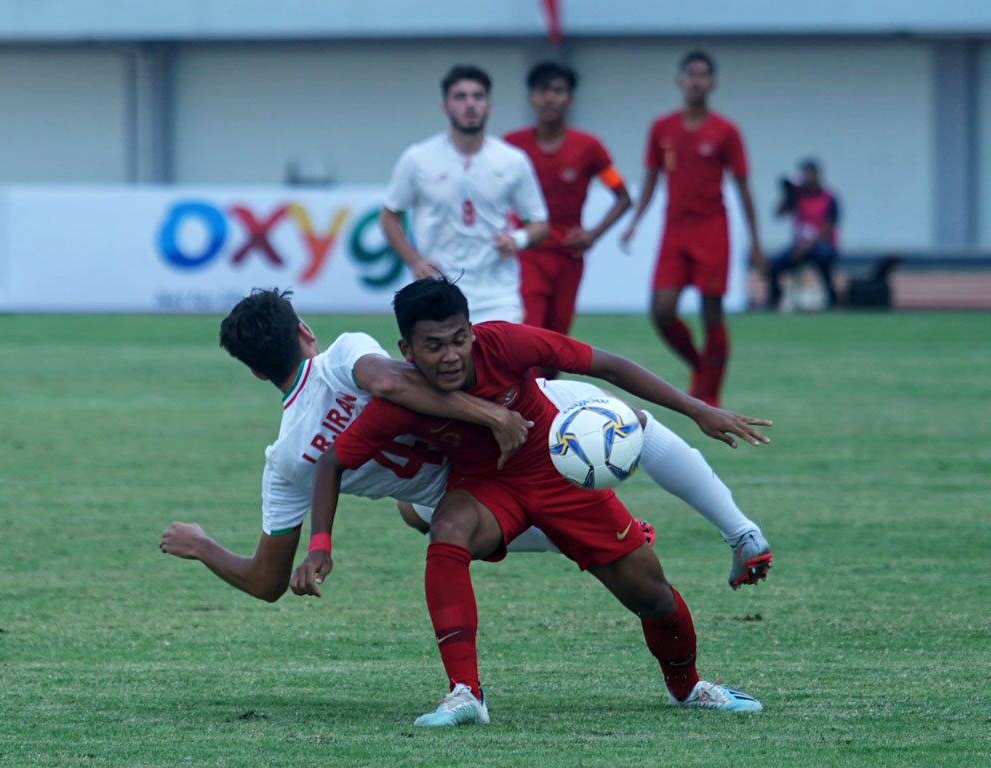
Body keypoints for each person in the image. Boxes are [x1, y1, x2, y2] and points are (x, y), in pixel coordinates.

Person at [291, 278, 771, 726]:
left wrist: (699, 409)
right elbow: (331, 462)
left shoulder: (506, 343)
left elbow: (607, 364)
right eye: (433, 346)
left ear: (473, 333)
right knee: (447, 527)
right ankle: (465, 692)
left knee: (653, 596)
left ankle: (687, 689)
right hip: (486, 487)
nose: (451, 355)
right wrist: (320, 544)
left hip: (558, 471)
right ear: (407, 350)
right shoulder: (399, 400)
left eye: (459, 339)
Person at [160, 288, 772, 597]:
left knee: (417, 512)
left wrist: (204, 545)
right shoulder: (345, 354)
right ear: (305, 332)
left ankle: (616, 531)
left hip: (457, 492)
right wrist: (492, 413)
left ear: (255, 371)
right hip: (508, 434)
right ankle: (739, 531)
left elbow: (267, 580)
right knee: (628, 425)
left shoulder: (284, 460)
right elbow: (394, 384)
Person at [621, 50, 766, 408]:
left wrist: (756, 242)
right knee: (662, 311)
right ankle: (700, 366)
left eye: (704, 75)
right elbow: (651, 179)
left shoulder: (726, 131)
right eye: (691, 74)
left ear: (713, 83)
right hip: (675, 231)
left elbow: (744, 187)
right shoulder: (662, 128)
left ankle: (711, 392)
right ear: (679, 81)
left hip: (712, 229)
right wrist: (635, 222)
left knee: (711, 311)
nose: (697, 81)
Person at [380, 64, 549, 324]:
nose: (470, 104)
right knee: (441, 363)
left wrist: (518, 239)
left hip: (498, 295)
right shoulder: (418, 158)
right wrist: (414, 261)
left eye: (478, 96)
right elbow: (390, 217)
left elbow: (539, 222)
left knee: (504, 364)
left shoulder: (512, 160)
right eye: (460, 97)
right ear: (445, 106)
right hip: (439, 291)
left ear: (489, 105)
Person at [503, 62, 632, 346]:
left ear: (570, 99)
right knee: (528, 335)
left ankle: (546, 390)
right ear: (531, 98)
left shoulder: (589, 147)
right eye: (543, 90)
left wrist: (593, 234)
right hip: (527, 254)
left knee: (556, 342)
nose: (550, 98)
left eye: (558, 91)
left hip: (568, 256)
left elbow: (622, 196)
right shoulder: (511, 146)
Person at [767, 158, 840, 309]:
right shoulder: (798, 197)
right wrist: (788, 193)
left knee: (824, 259)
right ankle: (774, 300)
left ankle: (832, 300)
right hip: (798, 246)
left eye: (809, 174)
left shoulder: (829, 198)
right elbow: (778, 214)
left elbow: (826, 231)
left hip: (820, 246)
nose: (807, 178)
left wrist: (806, 248)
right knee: (773, 266)